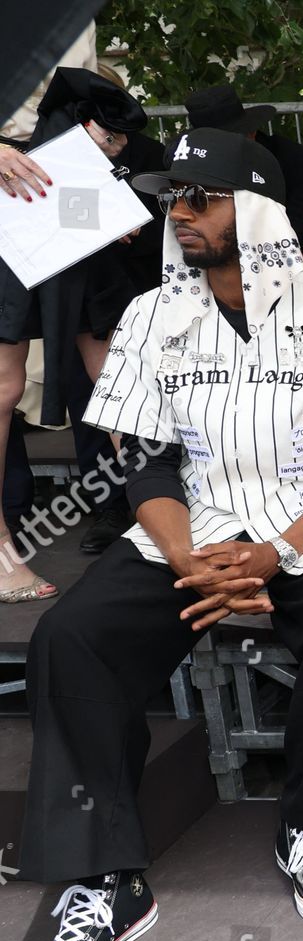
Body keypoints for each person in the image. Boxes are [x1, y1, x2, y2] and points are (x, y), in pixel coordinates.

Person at [8, 128, 303, 941]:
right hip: (193, 528)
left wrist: (277, 553)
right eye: (174, 197)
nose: (180, 211)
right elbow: (146, 462)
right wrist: (195, 562)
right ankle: (106, 878)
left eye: (202, 196)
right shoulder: (152, 316)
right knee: (71, 637)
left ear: (259, 209)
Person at [0, 67, 147, 595]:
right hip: (10, 206)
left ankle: (167, 515)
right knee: (4, 386)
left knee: (119, 371)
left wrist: (109, 195)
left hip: (67, 195)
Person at [185, 83, 303, 245]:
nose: (223, 152)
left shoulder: (294, 160)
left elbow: (301, 227)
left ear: (251, 132)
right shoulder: (192, 166)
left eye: (229, 142)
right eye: (214, 146)